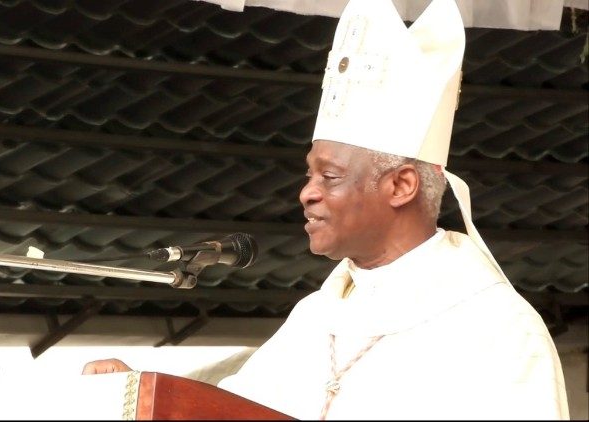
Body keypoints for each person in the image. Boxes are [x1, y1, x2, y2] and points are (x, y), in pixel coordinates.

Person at [82, 0, 569, 419]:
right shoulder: (316, 316)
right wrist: (143, 391)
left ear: (400, 185)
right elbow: (235, 411)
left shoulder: (496, 329)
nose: (306, 193)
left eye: (329, 177)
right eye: (309, 174)